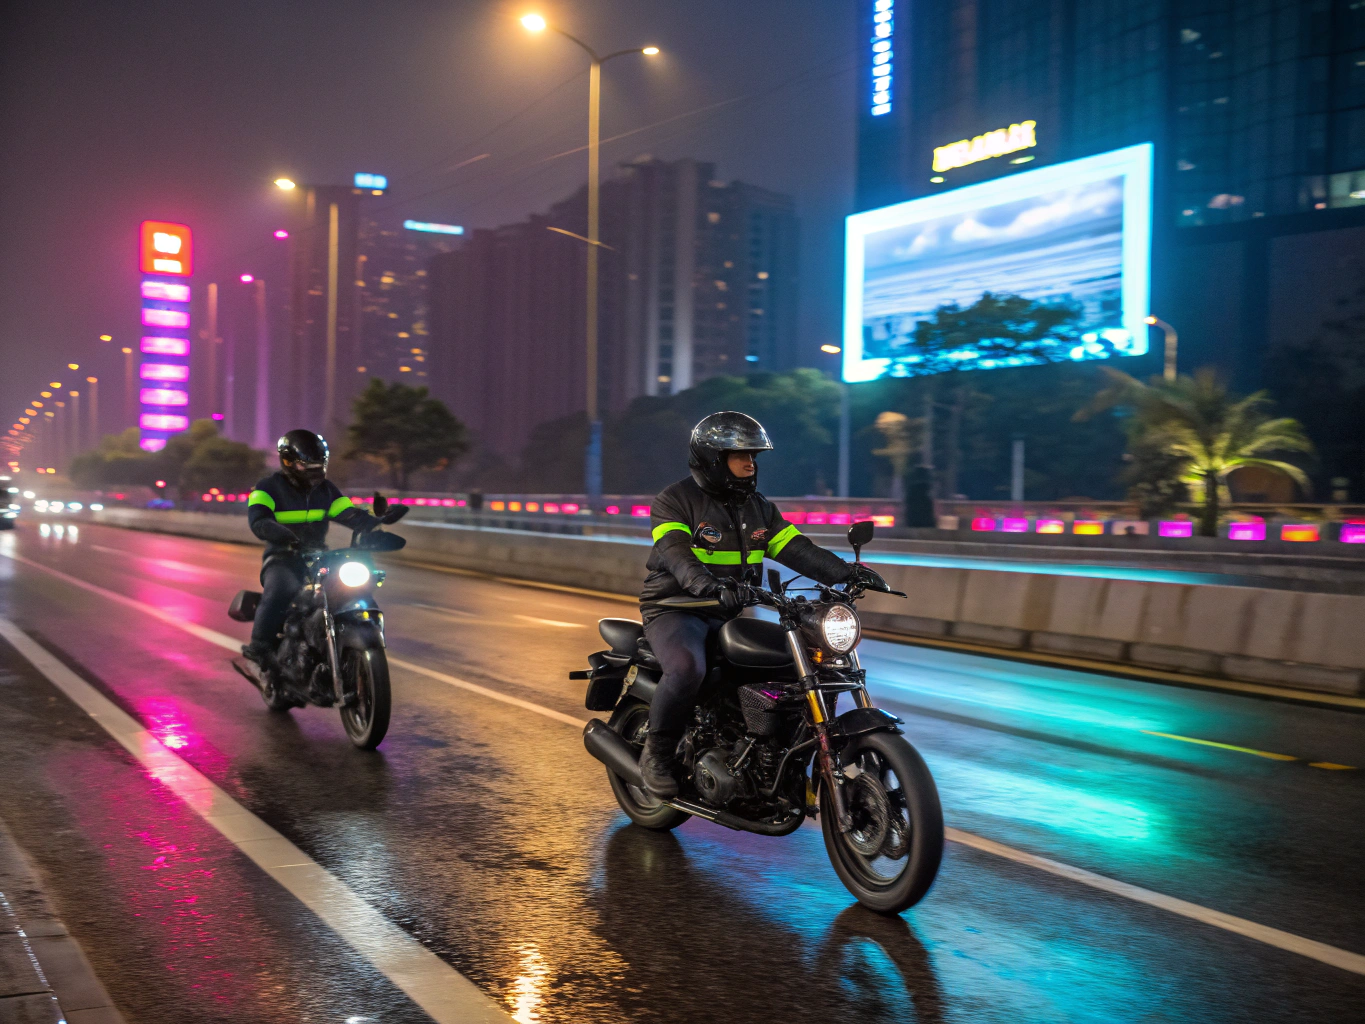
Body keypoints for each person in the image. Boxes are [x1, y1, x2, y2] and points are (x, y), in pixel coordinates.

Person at [639, 411, 886, 797]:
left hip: (730, 612)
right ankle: (657, 754)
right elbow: (676, 554)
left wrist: (848, 572)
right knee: (687, 667)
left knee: (795, 664)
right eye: (741, 456)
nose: (751, 463)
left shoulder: (758, 507)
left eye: (754, 456)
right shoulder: (674, 501)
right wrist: (707, 584)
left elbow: (796, 549)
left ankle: (772, 755)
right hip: (676, 608)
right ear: (713, 460)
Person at [240, 430, 403, 669]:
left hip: (319, 554)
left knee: (352, 587)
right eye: (309, 465)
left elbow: (349, 514)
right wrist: (284, 536)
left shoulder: (326, 490)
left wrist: (378, 521)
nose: (316, 471)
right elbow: (259, 522)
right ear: (288, 462)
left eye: (319, 464)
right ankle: (260, 645)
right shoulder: (267, 488)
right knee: (280, 589)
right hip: (283, 556)